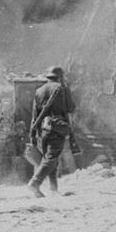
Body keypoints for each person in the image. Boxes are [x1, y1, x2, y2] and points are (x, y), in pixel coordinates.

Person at [26, 66, 75, 198]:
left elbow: (35, 115)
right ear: (60, 77)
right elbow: (71, 107)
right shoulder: (62, 88)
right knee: (51, 158)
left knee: (50, 158)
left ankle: (53, 189)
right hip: (57, 127)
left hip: (43, 128)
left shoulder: (39, 91)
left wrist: (33, 133)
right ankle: (35, 183)